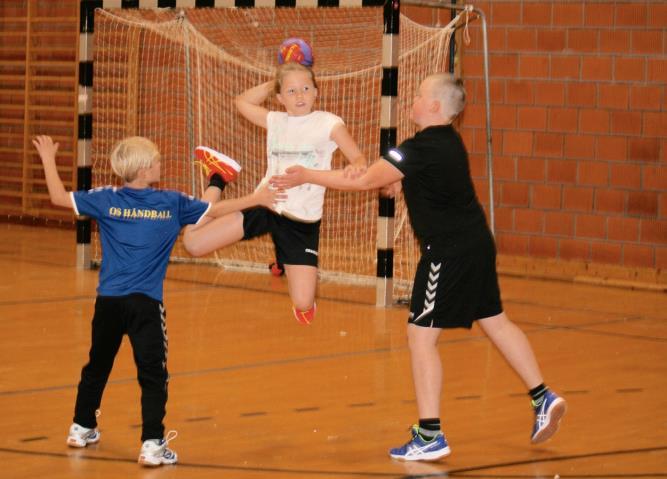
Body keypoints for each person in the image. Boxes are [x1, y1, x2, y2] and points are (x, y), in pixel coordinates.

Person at [270, 73, 567, 461]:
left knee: (420, 336)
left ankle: (430, 434)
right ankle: (543, 396)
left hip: (447, 252)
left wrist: (308, 175)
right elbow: (401, 180)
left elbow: (368, 181)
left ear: (435, 107)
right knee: (495, 320)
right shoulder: (447, 144)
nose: (412, 97)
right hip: (476, 243)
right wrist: (393, 182)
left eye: (419, 94)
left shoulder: (421, 147)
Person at [32, 135, 281, 466]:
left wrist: (48, 157)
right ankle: (152, 444)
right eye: (158, 160)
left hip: (108, 303)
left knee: (97, 366)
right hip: (145, 306)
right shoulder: (170, 203)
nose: (161, 164)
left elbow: (57, 197)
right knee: (153, 374)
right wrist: (257, 198)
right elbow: (215, 209)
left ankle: (81, 427)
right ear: (146, 168)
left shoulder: (106, 198)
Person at [182, 62, 367, 325]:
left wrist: (357, 165)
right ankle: (218, 177)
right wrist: (275, 80)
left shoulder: (328, 123)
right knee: (193, 244)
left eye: (305, 88)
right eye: (290, 91)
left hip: (300, 222)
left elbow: (358, 157)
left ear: (316, 91)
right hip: (264, 205)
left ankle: (292, 272)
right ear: (279, 98)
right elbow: (242, 102)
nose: (299, 95)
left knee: (303, 303)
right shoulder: (276, 120)